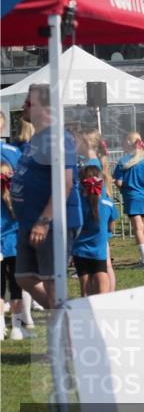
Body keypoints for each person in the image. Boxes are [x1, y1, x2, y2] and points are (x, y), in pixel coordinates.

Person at [11, 84, 83, 310]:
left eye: (29, 103)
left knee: (54, 284)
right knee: (23, 277)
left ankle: (67, 331)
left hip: (51, 224)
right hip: (29, 222)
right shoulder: (37, 138)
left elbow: (65, 182)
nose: (23, 106)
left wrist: (44, 220)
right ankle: (62, 314)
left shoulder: (58, 138)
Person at [77, 129, 117, 291]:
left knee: (105, 265)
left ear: (87, 144)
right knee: (104, 264)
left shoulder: (90, 165)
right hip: (99, 213)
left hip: (96, 210)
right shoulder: (92, 162)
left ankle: (108, 296)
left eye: (79, 142)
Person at [73, 165, 119, 296]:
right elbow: (111, 225)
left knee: (85, 289)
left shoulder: (77, 205)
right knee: (102, 286)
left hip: (79, 250)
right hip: (99, 250)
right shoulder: (108, 204)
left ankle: (86, 314)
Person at [113, 131, 144, 269]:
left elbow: (118, 182)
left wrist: (123, 188)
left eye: (124, 141)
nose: (122, 144)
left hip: (132, 196)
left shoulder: (123, 161)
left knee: (138, 229)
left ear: (129, 143)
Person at [1, 159, 29, 340]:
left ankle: (1, 327)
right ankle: (16, 327)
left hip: (3, 248)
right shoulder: (17, 196)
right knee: (16, 288)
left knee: (0, 289)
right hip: (15, 246)